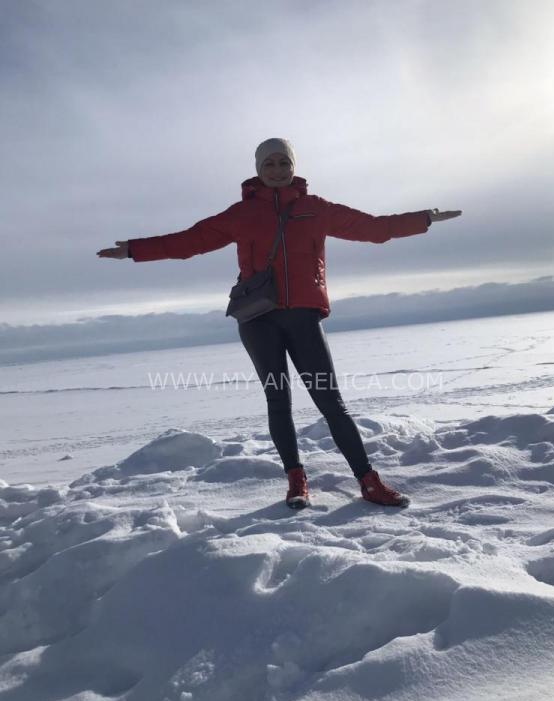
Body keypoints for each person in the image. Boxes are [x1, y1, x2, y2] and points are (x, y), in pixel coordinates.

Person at [98, 138, 461, 510]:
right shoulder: (241, 214)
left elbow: (374, 228)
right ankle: (296, 480)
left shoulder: (316, 209)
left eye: (283, 162)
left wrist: (424, 218)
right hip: (258, 320)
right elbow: (190, 242)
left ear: (293, 166)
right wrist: (135, 250)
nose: (276, 170)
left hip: (303, 316)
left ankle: (369, 482)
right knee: (278, 399)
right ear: (258, 169)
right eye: (269, 163)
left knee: (330, 401)